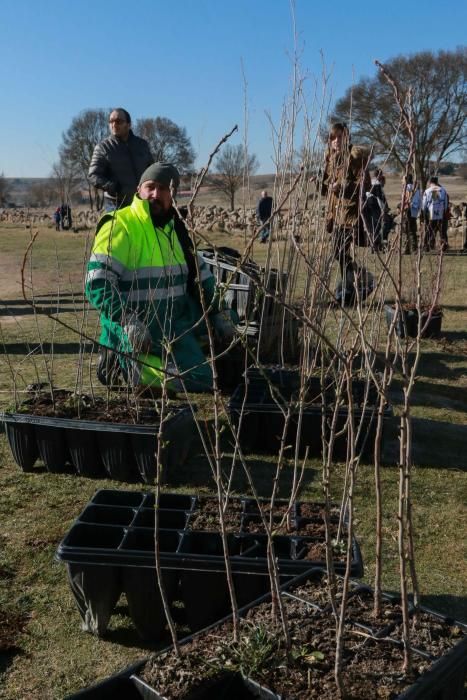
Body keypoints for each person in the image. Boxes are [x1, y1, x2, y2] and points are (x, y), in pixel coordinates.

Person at [85, 162, 236, 394]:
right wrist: (127, 320)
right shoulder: (120, 224)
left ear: (173, 194)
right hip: (134, 330)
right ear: (139, 190)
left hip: (173, 328)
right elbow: (97, 281)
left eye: (164, 188)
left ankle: (164, 366)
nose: (156, 194)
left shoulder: (178, 230)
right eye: (150, 187)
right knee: (189, 381)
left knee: (207, 380)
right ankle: (118, 363)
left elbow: (201, 277)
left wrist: (219, 313)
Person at [316, 122, 373, 304]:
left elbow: (365, 185)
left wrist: (342, 186)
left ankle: (361, 280)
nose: (336, 141)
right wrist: (319, 183)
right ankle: (349, 293)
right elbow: (326, 189)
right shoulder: (331, 159)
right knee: (339, 254)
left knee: (338, 252)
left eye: (340, 137)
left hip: (350, 214)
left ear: (347, 137)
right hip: (335, 214)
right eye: (333, 138)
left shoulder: (354, 157)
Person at [88, 108, 153, 211]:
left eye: (118, 121)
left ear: (128, 124)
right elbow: (93, 175)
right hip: (116, 205)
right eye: (111, 121)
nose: (114, 125)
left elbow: (152, 169)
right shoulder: (103, 147)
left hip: (142, 202)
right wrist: (113, 187)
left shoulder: (142, 145)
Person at [422, 176, 449, 251]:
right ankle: (444, 247)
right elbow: (446, 203)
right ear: (437, 182)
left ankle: (426, 246)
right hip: (441, 213)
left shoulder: (427, 191)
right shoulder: (443, 190)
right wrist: (444, 210)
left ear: (430, 183)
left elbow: (424, 204)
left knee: (429, 231)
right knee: (442, 232)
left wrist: (424, 212)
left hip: (431, 213)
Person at [400, 173, 421, 254]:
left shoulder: (407, 187)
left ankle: (407, 249)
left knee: (406, 229)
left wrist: (403, 205)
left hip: (408, 209)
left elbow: (407, 198)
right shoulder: (416, 188)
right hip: (414, 210)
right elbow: (419, 200)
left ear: (406, 179)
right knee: (412, 228)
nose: (401, 180)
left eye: (402, 179)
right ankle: (413, 248)